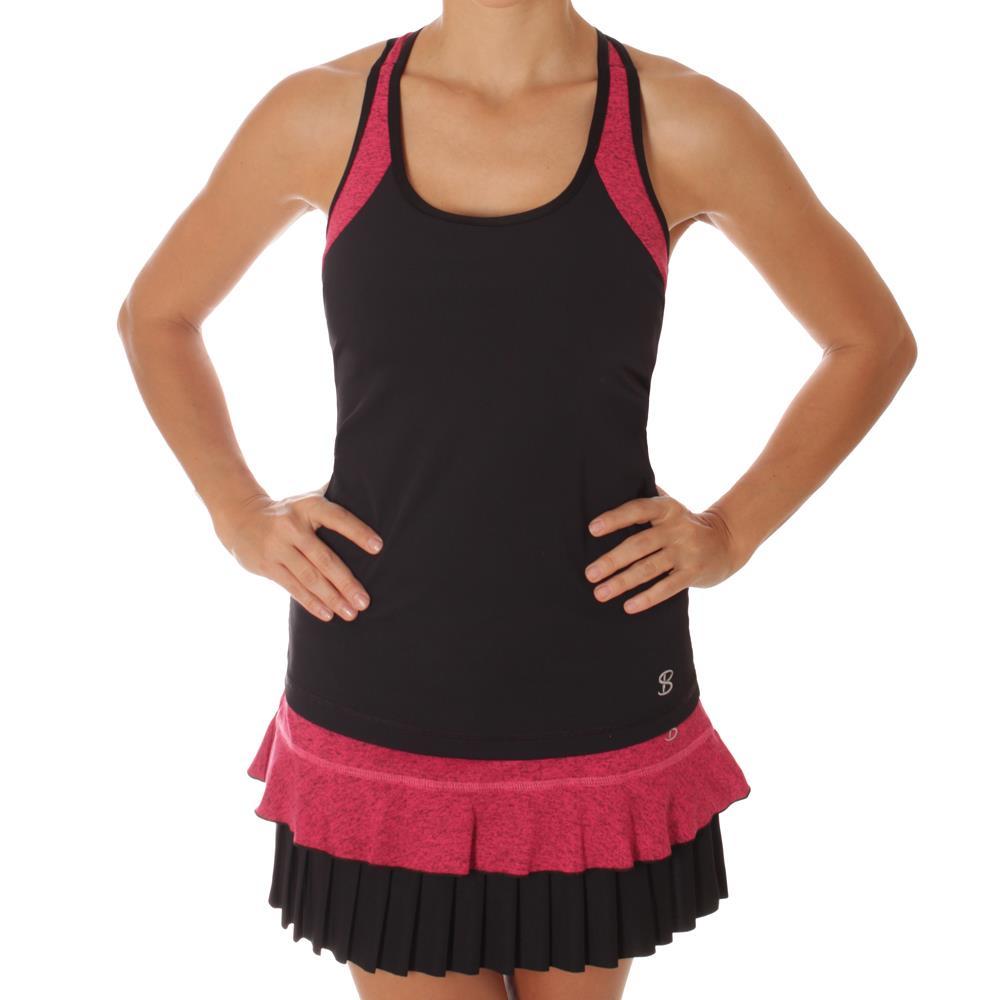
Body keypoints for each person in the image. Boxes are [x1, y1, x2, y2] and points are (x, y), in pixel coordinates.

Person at [117, 3, 916, 998]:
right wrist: (238, 511)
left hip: (596, 676)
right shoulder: (322, 114)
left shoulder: (678, 120)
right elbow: (158, 315)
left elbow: (870, 342)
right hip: (380, 673)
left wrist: (729, 531)